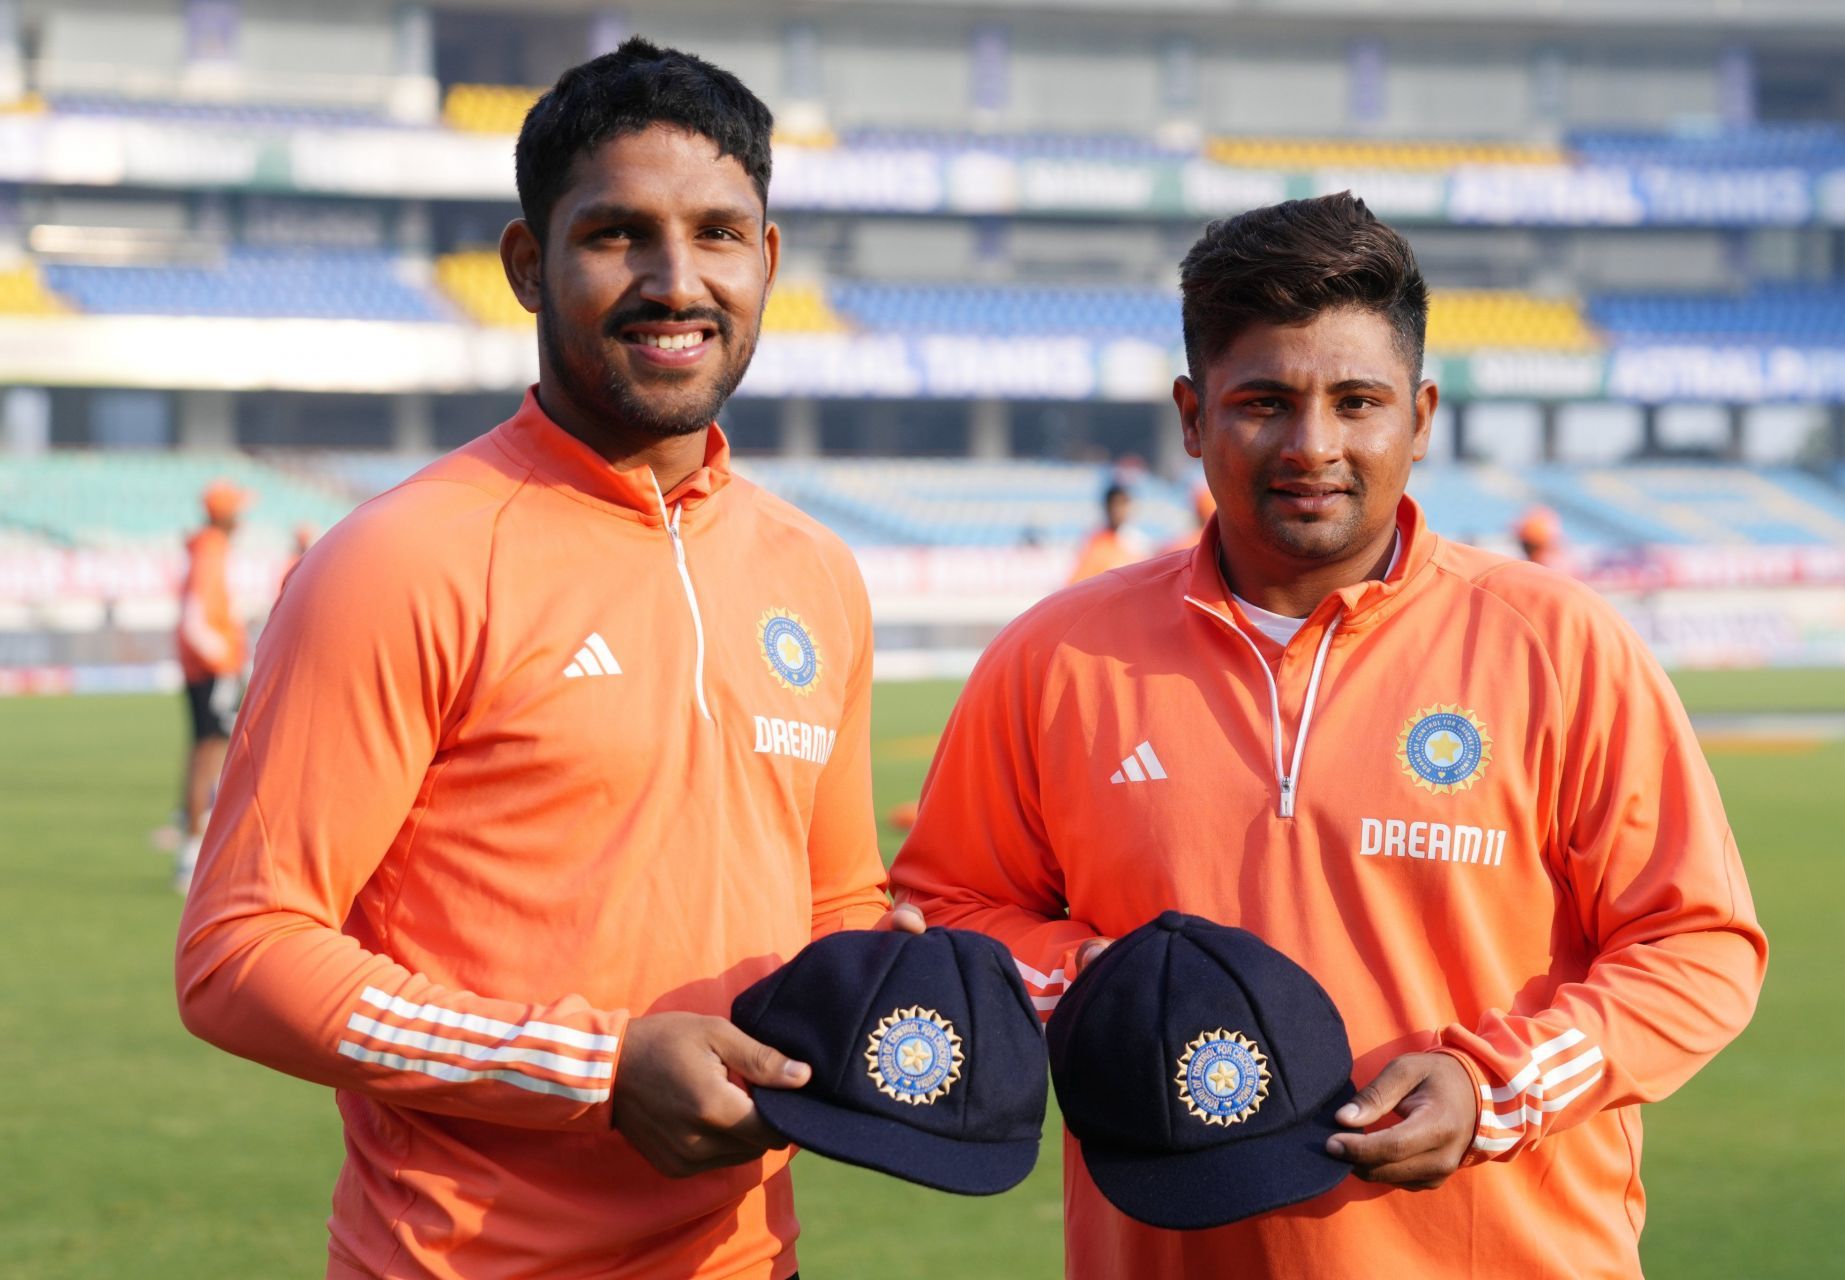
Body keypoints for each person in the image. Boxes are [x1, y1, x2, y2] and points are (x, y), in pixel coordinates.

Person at [889, 193, 1765, 1279]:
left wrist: (1500, 1083)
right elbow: (948, 913)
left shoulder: (1559, 643)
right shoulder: (1054, 656)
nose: (1314, 445)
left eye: (1358, 401)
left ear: (1423, 414)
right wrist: (1101, 981)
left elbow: (1699, 944)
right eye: (1264, 400)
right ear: (1192, 416)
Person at [177, 38, 917, 1280]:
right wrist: (598, 1069)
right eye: (619, 234)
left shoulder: (814, 572)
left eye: (721, 235)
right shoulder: (400, 558)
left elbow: (838, 903)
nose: (677, 281)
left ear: (770, 261)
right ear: (528, 264)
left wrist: (922, 1003)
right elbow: (242, 950)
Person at [173, 478, 249, 893]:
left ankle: (195, 845)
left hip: (207, 667)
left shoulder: (207, 547)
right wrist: (224, 660)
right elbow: (196, 617)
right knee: (210, 751)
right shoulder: (210, 549)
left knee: (209, 750)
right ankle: (192, 850)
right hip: (213, 668)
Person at [1067, 481, 1149, 583]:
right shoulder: (1094, 541)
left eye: (1123, 504)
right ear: (1106, 507)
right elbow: (1078, 580)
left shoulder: (1137, 542)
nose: (1118, 510)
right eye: (1115, 504)